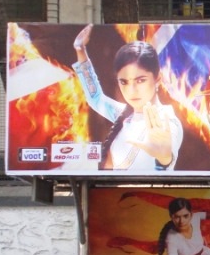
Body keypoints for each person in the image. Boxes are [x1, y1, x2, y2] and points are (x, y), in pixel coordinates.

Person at [71, 24, 183, 171]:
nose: (132, 90)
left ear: (157, 79)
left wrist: (164, 159)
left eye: (140, 80)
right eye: (124, 82)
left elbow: (166, 158)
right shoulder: (124, 115)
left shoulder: (167, 121)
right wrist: (80, 50)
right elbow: (96, 99)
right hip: (112, 192)